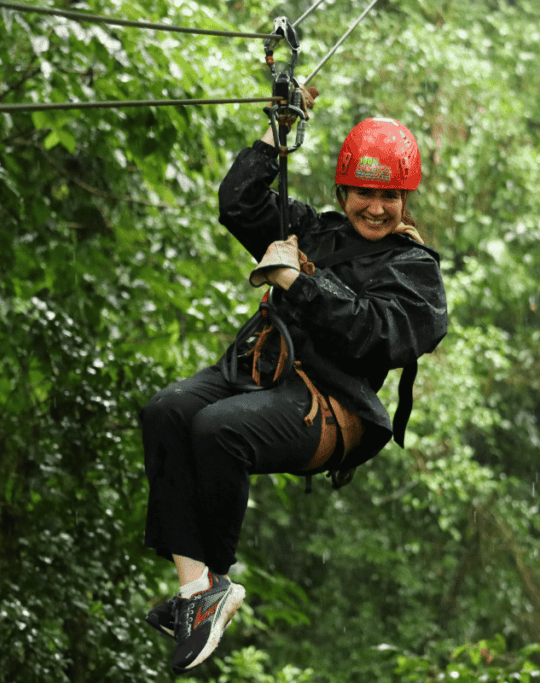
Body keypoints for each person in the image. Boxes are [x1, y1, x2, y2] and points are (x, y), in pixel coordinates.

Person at [137, 103, 448, 673]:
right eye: (363, 193)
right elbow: (241, 204)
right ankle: (194, 592)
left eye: (391, 198)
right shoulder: (318, 230)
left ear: (407, 202)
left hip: (332, 406)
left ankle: (219, 583)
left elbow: (371, 335)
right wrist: (275, 135)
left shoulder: (415, 273)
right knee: (168, 410)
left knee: (218, 429)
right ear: (342, 189)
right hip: (261, 370)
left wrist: (298, 281)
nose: (376, 208)